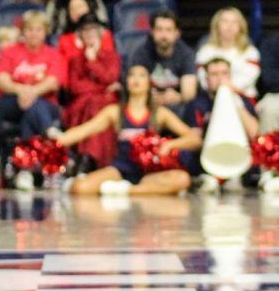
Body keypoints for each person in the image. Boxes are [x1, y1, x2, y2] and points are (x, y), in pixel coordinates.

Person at [54, 64, 200, 196]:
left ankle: (126, 190)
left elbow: (195, 139)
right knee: (81, 187)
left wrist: (170, 145)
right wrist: (55, 142)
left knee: (182, 179)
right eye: (132, 75)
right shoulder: (115, 111)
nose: (136, 79)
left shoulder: (159, 113)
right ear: (126, 82)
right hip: (120, 169)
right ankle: (137, 190)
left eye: (142, 76)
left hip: (149, 173)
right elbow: (84, 131)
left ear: (149, 83)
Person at [183, 56, 258, 193]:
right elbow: (194, 138)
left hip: (239, 153)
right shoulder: (197, 104)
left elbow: (254, 133)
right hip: (207, 154)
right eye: (214, 74)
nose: (220, 79)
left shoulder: (243, 100)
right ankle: (206, 178)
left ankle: (241, 178)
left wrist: (235, 101)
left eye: (224, 74)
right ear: (206, 79)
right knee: (186, 154)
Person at [0, 10, 67, 140]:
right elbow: (2, 80)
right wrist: (21, 90)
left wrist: (31, 93)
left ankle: (25, 158)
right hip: (10, 101)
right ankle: (51, 136)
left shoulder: (54, 54)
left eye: (39, 30)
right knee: (34, 105)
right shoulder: (9, 52)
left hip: (46, 103)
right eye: (30, 29)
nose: (34, 34)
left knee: (32, 111)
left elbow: (53, 83)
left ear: (45, 32)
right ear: (23, 31)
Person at [60, 14, 121, 169]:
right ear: (80, 35)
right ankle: (93, 159)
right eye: (85, 31)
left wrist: (93, 62)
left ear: (100, 33)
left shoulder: (111, 56)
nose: (89, 34)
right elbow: (75, 87)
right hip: (82, 105)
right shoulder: (75, 59)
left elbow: (110, 77)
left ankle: (87, 158)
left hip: (105, 104)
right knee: (92, 104)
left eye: (92, 30)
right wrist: (102, 88)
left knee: (98, 106)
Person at [128, 9, 197, 109]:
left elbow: (189, 92)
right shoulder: (141, 53)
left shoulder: (186, 54)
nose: (164, 35)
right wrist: (148, 96)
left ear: (177, 33)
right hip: (148, 106)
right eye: (159, 29)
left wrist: (178, 97)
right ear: (152, 32)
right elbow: (135, 84)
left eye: (168, 30)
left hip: (178, 107)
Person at [195, 7, 261, 99]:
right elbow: (203, 79)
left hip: (242, 98)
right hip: (211, 98)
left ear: (241, 26)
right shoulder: (205, 52)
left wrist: (226, 88)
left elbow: (248, 78)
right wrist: (219, 89)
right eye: (225, 21)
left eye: (234, 22)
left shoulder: (250, 52)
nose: (229, 26)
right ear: (216, 25)